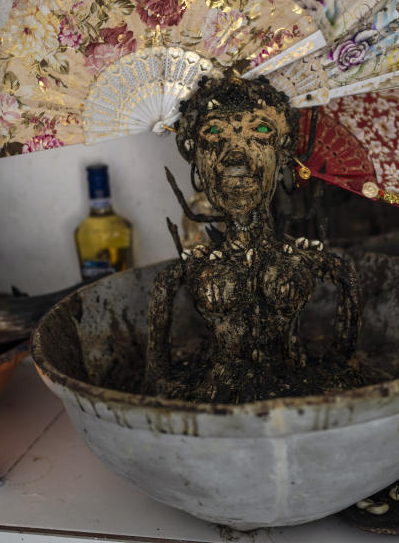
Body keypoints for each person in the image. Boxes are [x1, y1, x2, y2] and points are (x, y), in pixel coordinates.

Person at [145, 75, 360, 403]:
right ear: (193, 154)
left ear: (284, 152)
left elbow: (347, 365)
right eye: (214, 132)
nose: (236, 156)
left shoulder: (321, 265)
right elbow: (157, 383)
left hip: (301, 400)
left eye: (260, 131)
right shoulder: (174, 279)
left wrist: (342, 370)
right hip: (216, 406)